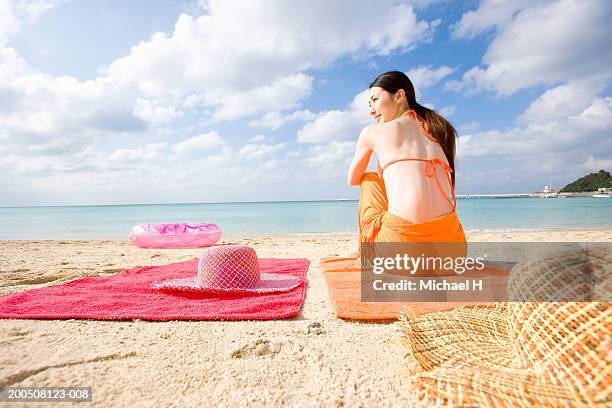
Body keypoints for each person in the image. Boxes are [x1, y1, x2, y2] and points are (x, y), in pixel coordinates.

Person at [347, 71, 466, 245]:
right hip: (453, 250)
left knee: (369, 180)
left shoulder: (371, 132)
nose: (371, 110)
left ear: (399, 96)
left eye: (375, 100)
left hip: (402, 252)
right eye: (369, 104)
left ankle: (368, 253)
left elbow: (353, 179)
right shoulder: (440, 129)